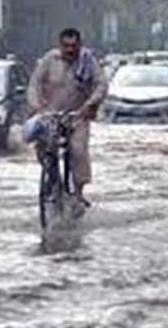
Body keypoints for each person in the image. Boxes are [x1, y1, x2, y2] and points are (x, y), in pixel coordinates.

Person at [27, 28, 108, 205]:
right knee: (43, 148)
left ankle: (78, 192)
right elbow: (34, 84)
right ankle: (54, 182)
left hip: (77, 116)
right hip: (50, 115)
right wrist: (36, 106)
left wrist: (90, 105)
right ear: (60, 45)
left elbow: (101, 85)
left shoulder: (87, 62)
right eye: (66, 46)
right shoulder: (49, 60)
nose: (70, 50)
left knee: (78, 150)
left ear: (79, 45)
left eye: (74, 46)